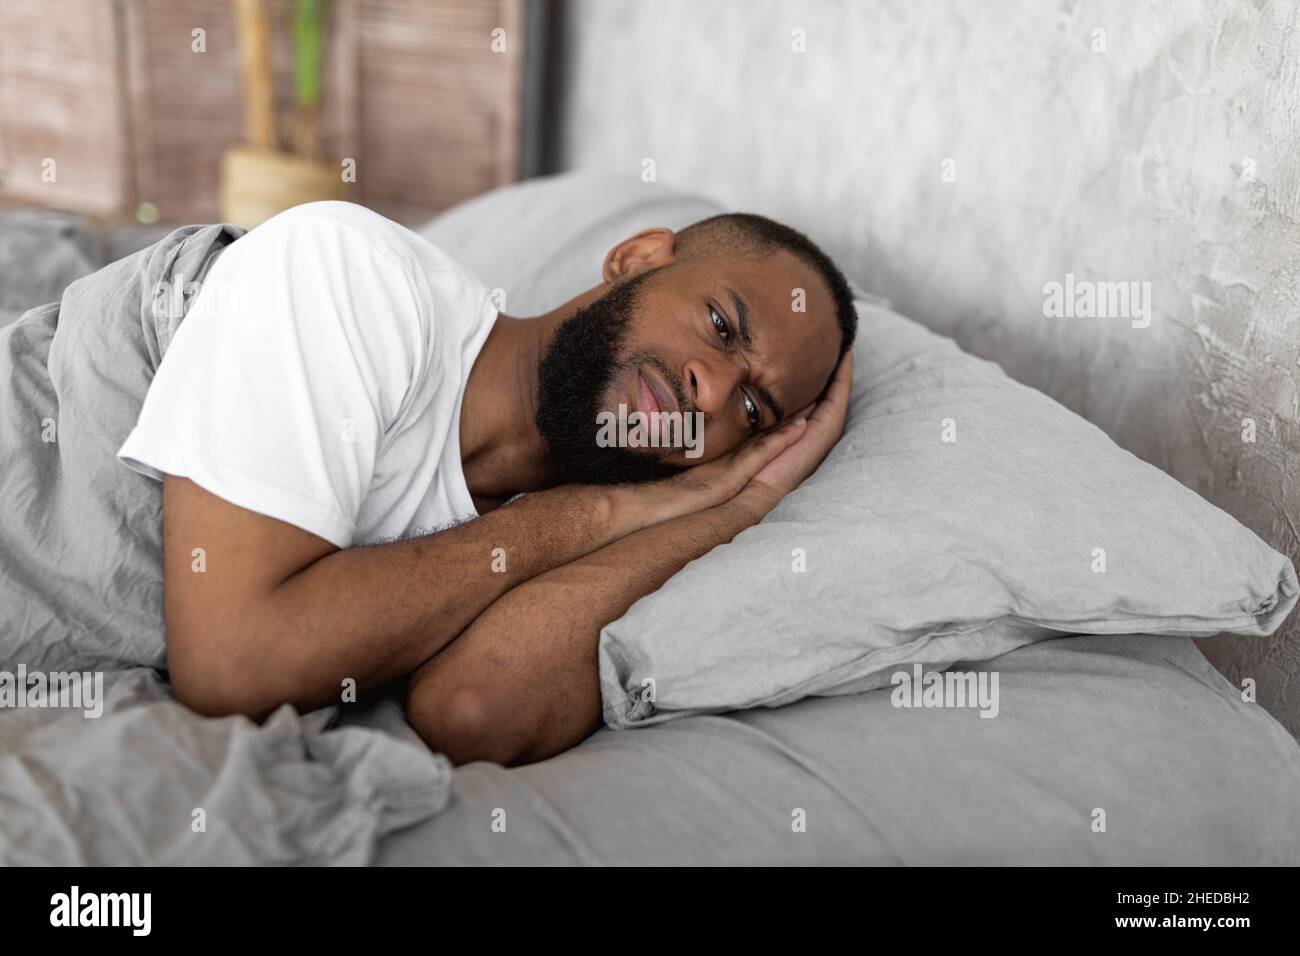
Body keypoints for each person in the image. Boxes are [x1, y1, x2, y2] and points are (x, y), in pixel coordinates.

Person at [118, 200, 856, 765]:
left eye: (754, 409)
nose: (714, 390)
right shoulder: (351, 272)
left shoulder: (586, 519)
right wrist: (591, 514)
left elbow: (476, 709)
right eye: (723, 326)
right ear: (634, 259)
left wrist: (741, 506)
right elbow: (231, 664)